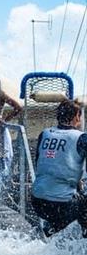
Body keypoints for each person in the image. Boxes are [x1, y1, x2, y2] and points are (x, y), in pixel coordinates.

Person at [31, 100, 87, 239]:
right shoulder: (81, 137)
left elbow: (40, 163)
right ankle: (57, 229)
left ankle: (53, 228)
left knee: (79, 199)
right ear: (76, 117)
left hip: (37, 200)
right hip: (61, 204)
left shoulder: (45, 134)